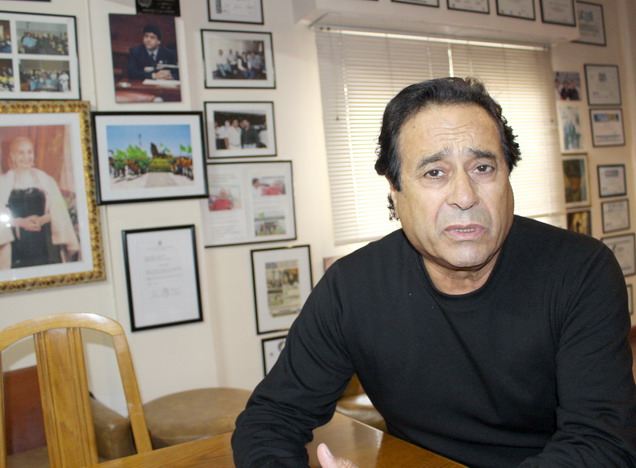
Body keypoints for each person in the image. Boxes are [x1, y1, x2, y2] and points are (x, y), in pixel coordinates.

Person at [231, 77, 636, 467]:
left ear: (507, 178)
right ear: (396, 192)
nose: (464, 196)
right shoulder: (352, 287)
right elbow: (271, 419)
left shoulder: (581, 271)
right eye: (434, 172)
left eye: (482, 168)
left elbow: (601, 444)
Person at [0, 136, 79, 269]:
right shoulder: (2, 183)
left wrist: (42, 220)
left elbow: (59, 213)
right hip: (15, 248)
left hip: (45, 244)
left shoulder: (47, 180)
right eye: (21, 153)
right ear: (13, 156)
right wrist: (21, 222)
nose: (26, 157)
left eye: (29, 152)